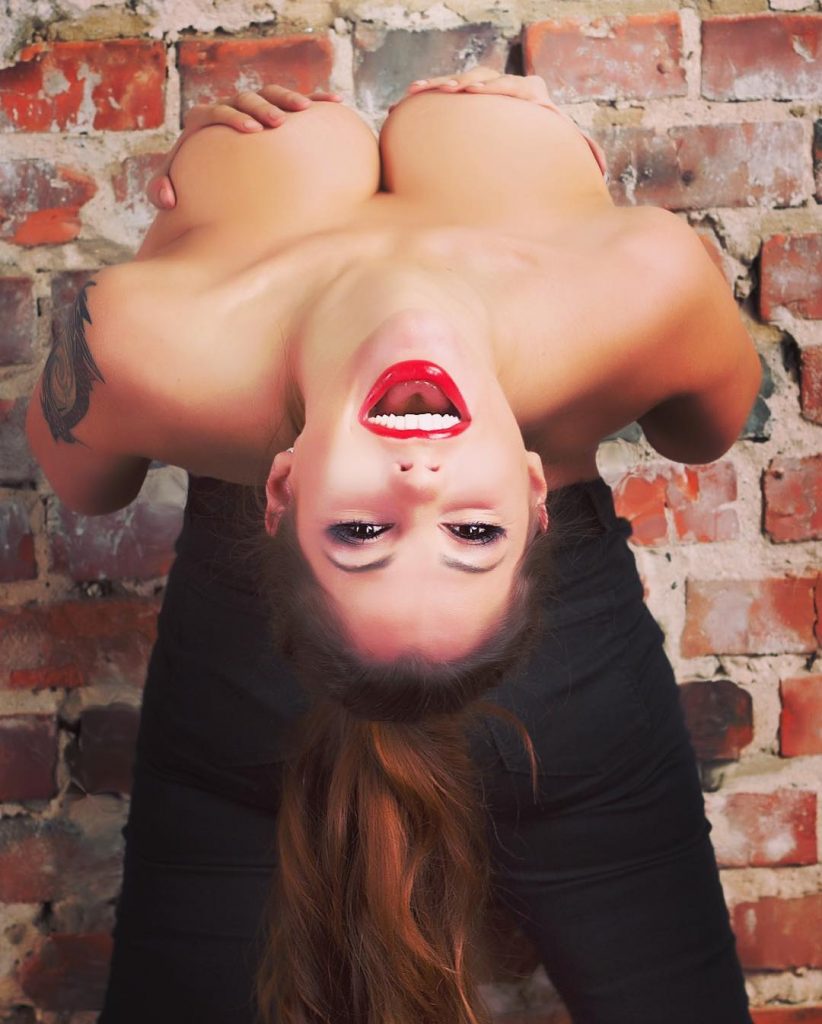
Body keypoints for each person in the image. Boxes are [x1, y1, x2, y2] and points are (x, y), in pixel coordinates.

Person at [25, 68, 761, 1023]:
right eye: (473, 531)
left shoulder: (139, 340)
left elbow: (87, 487)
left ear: (281, 488)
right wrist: (586, 218)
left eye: (363, 532)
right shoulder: (644, 280)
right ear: (532, 488)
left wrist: (182, 247)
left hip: (259, 663)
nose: (420, 485)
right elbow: (705, 433)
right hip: (552, 679)